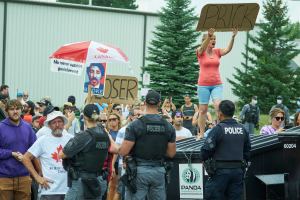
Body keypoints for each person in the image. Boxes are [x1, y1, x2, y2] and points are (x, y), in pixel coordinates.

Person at [119, 90, 176, 200]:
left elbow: (124, 151)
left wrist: (117, 148)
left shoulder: (135, 125)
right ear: (159, 103)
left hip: (139, 171)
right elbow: (171, 153)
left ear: (145, 102)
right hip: (158, 171)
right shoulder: (168, 126)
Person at [200, 100, 251, 200]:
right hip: (238, 172)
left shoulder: (218, 129)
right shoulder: (242, 129)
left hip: (219, 173)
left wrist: (205, 160)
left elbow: (205, 151)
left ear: (220, 113)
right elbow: (247, 151)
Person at [59, 104, 110, 200]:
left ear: (84, 117)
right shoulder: (105, 134)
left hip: (82, 183)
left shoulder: (84, 136)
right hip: (97, 181)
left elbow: (62, 154)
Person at [196, 28, 238, 138]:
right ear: (206, 40)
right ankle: (201, 133)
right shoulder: (200, 52)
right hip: (203, 85)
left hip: (216, 84)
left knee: (218, 106)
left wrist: (233, 37)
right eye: (211, 39)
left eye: (215, 39)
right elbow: (201, 48)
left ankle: (220, 130)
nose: (213, 40)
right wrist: (208, 36)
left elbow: (228, 49)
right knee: (203, 110)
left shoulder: (217, 52)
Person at [22, 111, 73, 200]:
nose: (57, 125)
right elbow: (26, 158)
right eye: (54, 122)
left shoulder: (71, 139)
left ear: (64, 123)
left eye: (59, 121)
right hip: (48, 191)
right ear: (49, 125)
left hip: (68, 191)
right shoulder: (43, 140)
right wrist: (37, 177)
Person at [0, 99, 37, 200]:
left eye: (17, 109)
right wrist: (11, 153)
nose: (15, 111)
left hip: (24, 177)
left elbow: (35, 149)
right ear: (7, 111)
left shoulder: (28, 127)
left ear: (21, 110)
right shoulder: (1, 127)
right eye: (12, 109)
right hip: (4, 178)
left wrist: (26, 157)